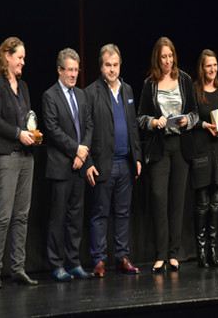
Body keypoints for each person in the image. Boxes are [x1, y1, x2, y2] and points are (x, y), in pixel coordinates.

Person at [137, 37, 198, 273]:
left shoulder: (183, 79)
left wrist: (187, 120)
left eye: (170, 56)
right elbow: (140, 117)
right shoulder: (149, 83)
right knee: (159, 200)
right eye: (163, 57)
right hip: (159, 148)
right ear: (157, 58)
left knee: (177, 202)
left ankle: (174, 253)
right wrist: (153, 122)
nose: (167, 60)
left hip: (180, 146)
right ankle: (160, 254)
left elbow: (194, 111)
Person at [84, 44, 142, 277]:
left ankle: (122, 257)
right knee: (100, 213)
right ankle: (99, 260)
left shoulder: (127, 90)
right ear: (101, 67)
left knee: (123, 213)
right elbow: (85, 131)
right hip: (102, 164)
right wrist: (88, 162)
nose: (112, 69)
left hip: (126, 163)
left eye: (115, 65)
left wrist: (137, 157)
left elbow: (133, 127)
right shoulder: (90, 92)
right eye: (108, 65)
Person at [0, 37, 38, 287]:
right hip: (6, 156)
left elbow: (27, 117)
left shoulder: (24, 86)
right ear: (7, 56)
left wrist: (32, 134)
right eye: (19, 57)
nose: (23, 62)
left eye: (24, 58)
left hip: (27, 158)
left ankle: (18, 268)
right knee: (4, 216)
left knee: (22, 216)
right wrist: (19, 134)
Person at [42, 48, 94, 281]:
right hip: (60, 167)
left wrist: (82, 155)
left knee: (76, 217)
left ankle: (73, 262)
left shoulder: (82, 95)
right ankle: (56, 264)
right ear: (59, 70)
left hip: (78, 166)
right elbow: (52, 130)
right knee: (58, 218)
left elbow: (89, 126)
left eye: (76, 70)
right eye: (69, 70)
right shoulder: (49, 96)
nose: (73, 74)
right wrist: (76, 149)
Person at [191, 49, 218, 268]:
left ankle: (212, 251)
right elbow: (192, 117)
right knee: (202, 203)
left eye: (215, 65)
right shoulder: (195, 89)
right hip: (202, 151)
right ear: (202, 67)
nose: (212, 69)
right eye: (208, 66)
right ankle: (200, 252)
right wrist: (205, 125)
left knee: (216, 203)